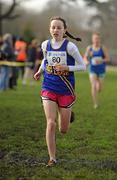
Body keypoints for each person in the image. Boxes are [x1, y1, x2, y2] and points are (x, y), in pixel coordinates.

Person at [34, 16, 86, 167]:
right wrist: (40, 71)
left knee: (63, 130)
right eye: (53, 27)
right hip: (49, 85)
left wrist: (67, 68)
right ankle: (52, 158)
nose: (55, 30)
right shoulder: (45, 45)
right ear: (50, 29)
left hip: (65, 89)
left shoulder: (70, 47)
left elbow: (83, 66)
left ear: (64, 30)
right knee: (50, 123)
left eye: (58, 27)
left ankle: (66, 111)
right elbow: (45, 60)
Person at [84, 32, 110, 108]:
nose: (96, 40)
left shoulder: (103, 48)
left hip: (101, 69)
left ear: (100, 39)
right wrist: (86, 61)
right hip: (92, 69)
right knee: (93, 85)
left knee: (99, 88)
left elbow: (108, 59)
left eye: (98, 38)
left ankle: (99, 85)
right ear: (92, 39)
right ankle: (95, 103)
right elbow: (85, 57)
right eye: (95, 38)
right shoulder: (89, 48)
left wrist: (101, 60)